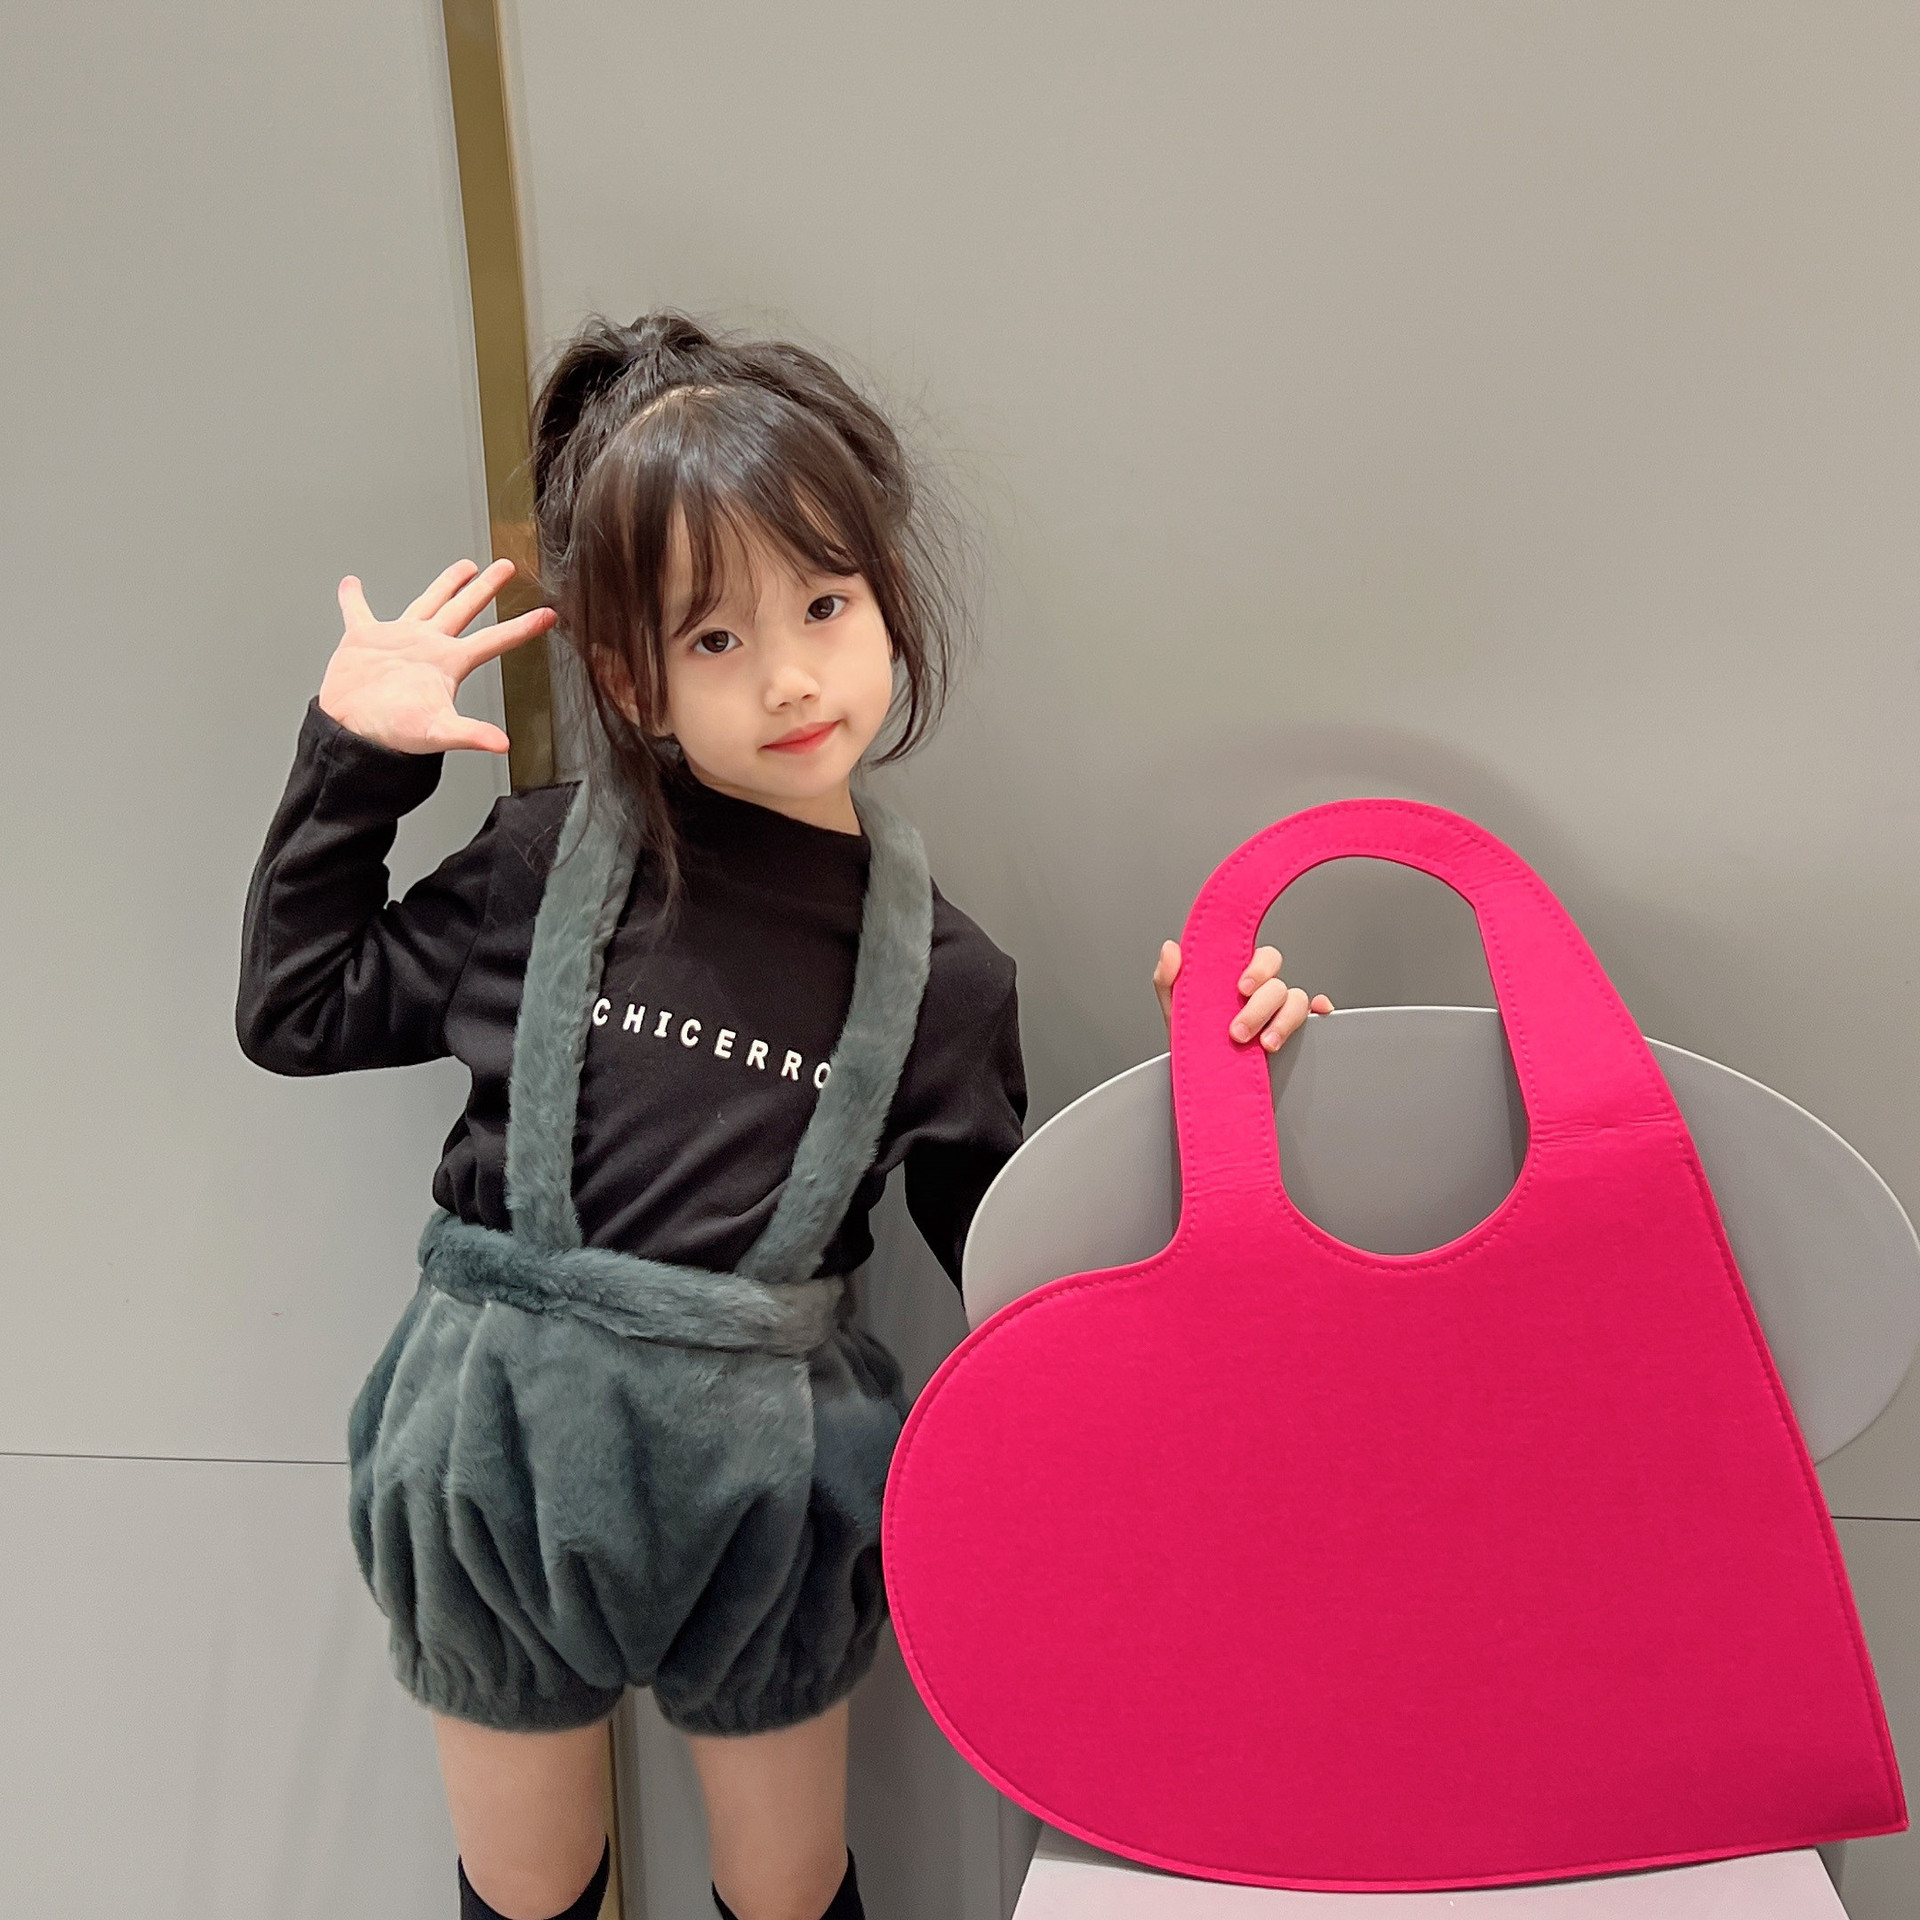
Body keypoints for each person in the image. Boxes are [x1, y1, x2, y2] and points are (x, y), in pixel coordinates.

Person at [236, 311, 1329, 1920]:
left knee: (789, 1890)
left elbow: (1035, 1292)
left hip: (765, 1504)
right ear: (630, 677)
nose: (793, 675)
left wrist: (1212, 1092)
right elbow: (297, 1011)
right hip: (493, 1469)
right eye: (715, 639)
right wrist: (352, 763)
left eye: (824, 603)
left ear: (886, 597)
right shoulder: (536, 864)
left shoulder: (945, 975)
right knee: (526, 1893)